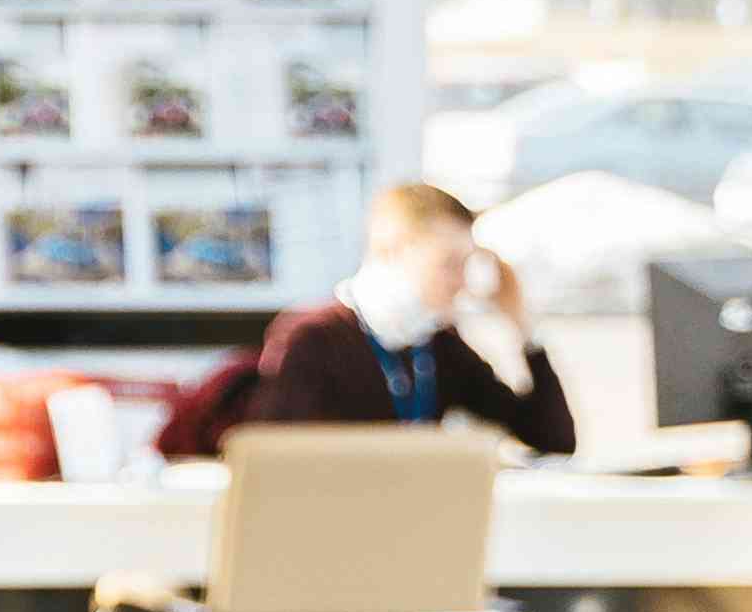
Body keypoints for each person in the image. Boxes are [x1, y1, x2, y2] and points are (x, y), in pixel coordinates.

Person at [153, 179, 573, 461]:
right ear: (393, 250)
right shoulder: (314, 338)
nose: (463, 282)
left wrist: (525, 331)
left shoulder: (437, 345)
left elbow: (554, 442)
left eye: (468, 264)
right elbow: (280, 470)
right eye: (449, 264)